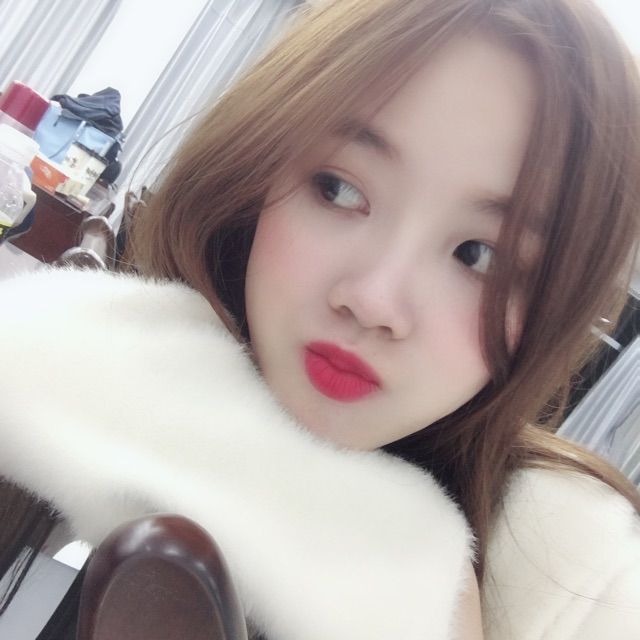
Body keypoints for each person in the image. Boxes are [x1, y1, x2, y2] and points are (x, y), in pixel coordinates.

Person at [1, 0, 639, 638]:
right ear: (255, 175)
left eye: (480, 256)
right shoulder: (56, 382)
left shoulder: (562, 591)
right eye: (339, 188)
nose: (374, 301)